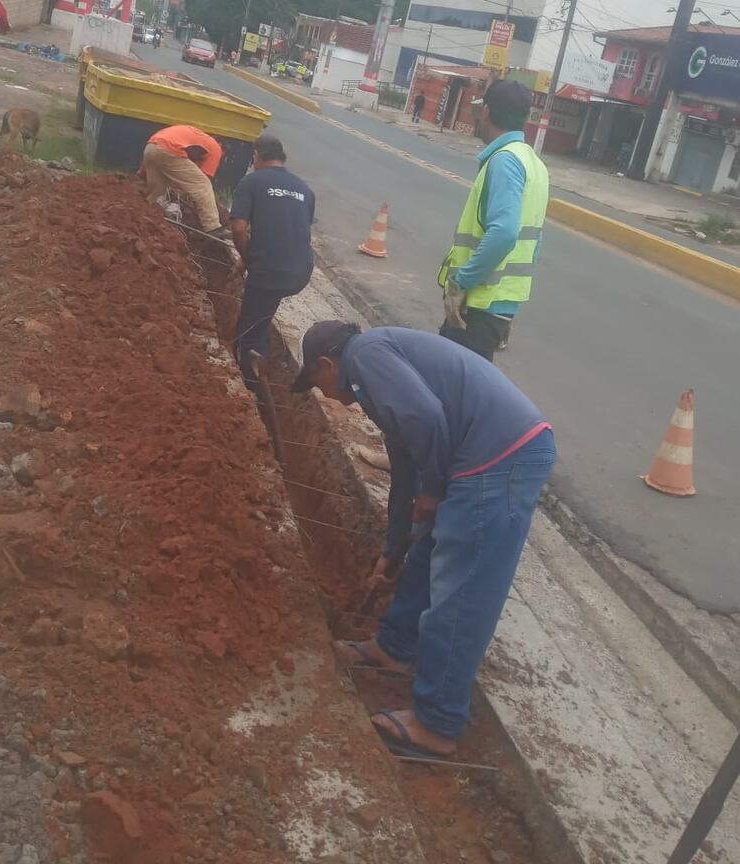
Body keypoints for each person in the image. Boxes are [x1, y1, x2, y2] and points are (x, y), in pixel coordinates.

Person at [291, 321, 555, 759]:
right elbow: (405, 473)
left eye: (316, 383)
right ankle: (395, 647)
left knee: (462, 589)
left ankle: (437, 723)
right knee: (428, 553)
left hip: (501, 456)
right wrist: (393, 550)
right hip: (479, 453)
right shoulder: (375, 377)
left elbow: (429, 421)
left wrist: (432, 492)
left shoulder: (365, 357)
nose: (322, 393)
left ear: (326, 363)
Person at [438, 79, 549, 362]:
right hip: (495, 308)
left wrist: (461, 283)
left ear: (485, 112)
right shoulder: (534, 164)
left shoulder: (505, 161)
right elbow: (533, 243)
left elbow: (505, 233)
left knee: (449, 392)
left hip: (476, 308)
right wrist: (506, 310)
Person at [230, 134, 315, 392]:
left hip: (270, 271)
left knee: (249, 332)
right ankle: (258, 352)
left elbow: (238, 229)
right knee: (262, 313)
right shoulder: (305, 190)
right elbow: (292, 229)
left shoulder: (252, 182)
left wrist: (247, 260)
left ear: (257, 156)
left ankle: (253, 387)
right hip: (301, 271)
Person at [141, 125, 228, 238]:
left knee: (157, 193)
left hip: (151, 146)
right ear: (221, 146)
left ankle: (145, 215)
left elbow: (151, 162)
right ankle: (212, 227)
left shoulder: (194, 139)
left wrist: (142, 173)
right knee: (203, 184)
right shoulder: (216, 147)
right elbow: (204, 180)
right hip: (169, 150)